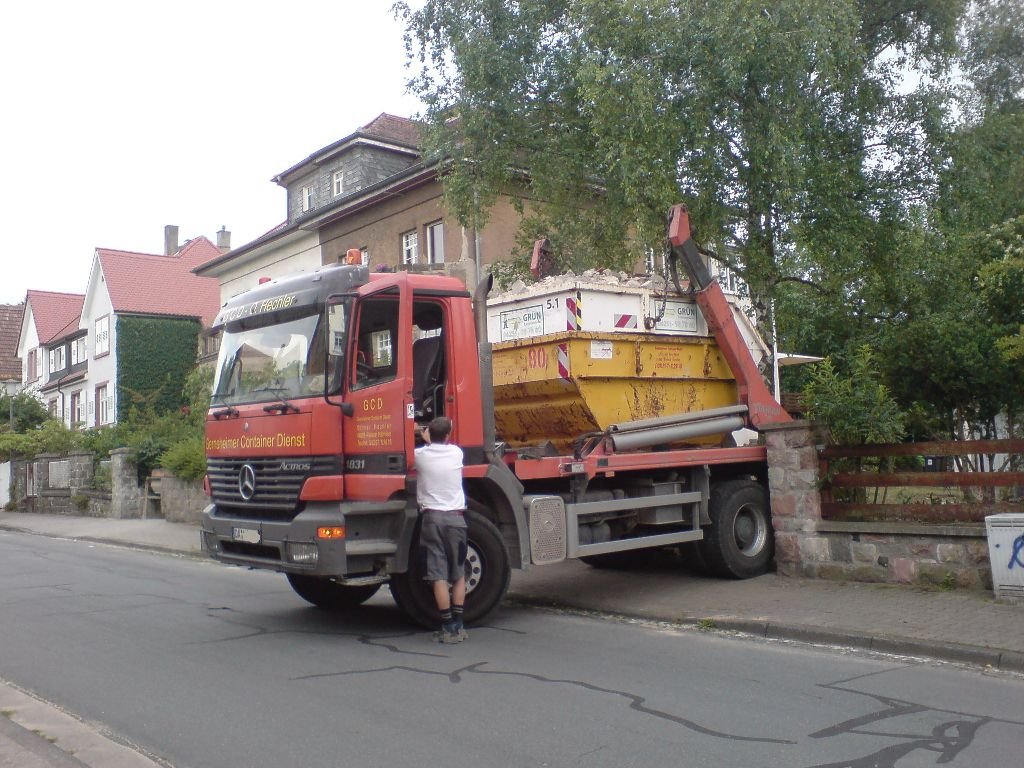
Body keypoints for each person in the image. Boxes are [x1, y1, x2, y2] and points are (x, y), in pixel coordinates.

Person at [414, 416, 469, 643]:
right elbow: (442, 445)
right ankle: (458, 625)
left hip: (432, 519)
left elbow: (424, 451)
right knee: (458, 574)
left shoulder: (420, 456)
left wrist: (423, 437)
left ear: (429, 435)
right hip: (456, 519)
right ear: (448, 435)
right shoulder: (457, 453)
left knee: (438, 574)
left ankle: (446, 627)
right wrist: (431, 438)